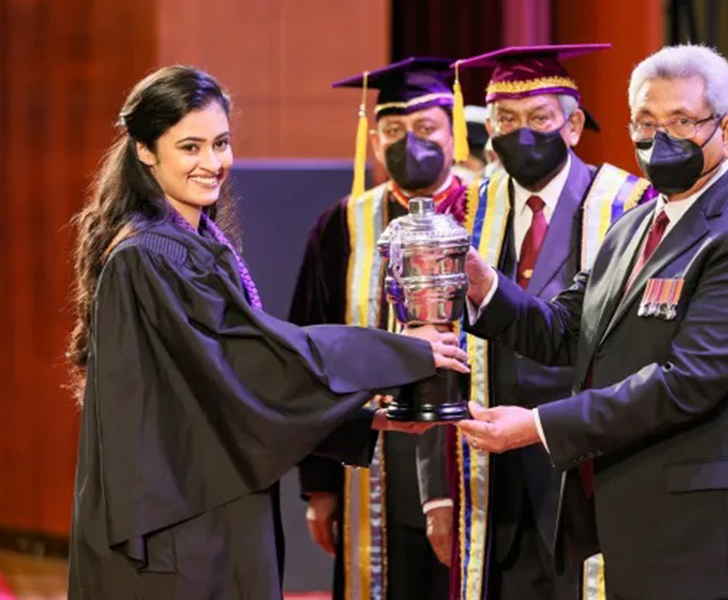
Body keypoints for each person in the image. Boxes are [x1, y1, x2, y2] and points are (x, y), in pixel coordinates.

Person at [66, 66, 467, 600]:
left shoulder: (192, 240)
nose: (212, 163)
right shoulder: (149, 256)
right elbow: (246, 366)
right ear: (144, 150)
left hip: (208, 500)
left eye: (221, 143)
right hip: (176, 526)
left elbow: (233, 393)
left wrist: (366, 422)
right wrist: (398, 352)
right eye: (190, 147)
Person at [451, 45, 728, 600]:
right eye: (645, 122)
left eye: (682, 121)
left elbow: (687, 383)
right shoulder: (637, 224)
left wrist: (539, 424)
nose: (660, 139)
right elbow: (568, 331)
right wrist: (486, 288)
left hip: (710, 539)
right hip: (636, 522)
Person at [419, 44, 655, 600]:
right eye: (505, 119)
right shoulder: (464, 210)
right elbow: (436, 343)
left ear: (572, 125)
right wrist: (437, 489)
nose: (520, 132)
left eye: (539, 118)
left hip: (589, 468)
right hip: (488, 476)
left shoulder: (630, 204)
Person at [287, 58, 467, 600]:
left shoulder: (490, 210)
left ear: (454, 130)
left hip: (468, 451)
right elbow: (307, 348)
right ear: (373, 142)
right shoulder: (343, 224)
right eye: (393, 131)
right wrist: (319, 485)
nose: (410, 143)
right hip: (372, 455)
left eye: (426, 128)